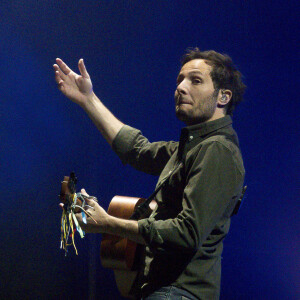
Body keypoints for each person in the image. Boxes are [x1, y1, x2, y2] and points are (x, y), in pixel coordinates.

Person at [54, 48, 246, 300]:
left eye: (195, 80)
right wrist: (88, 99)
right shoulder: (192, 148)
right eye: (180, 80)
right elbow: (137, 150)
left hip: (179, 293)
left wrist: (110, 223)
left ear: (223, 97)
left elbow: (187, 233)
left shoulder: (217, 149)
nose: (181, 87)